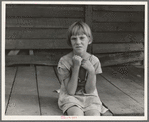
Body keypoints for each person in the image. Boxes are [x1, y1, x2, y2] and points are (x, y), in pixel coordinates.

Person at [57, 21, 111, 116]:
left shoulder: (94, 61)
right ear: (70, 41)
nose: (78, 42)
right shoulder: (64, 61)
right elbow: (71, 91)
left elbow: (90, 91)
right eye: (74, 39)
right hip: (70, 97)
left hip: (90, 96)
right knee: (76, 115)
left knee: (94, 115)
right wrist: (76, 67)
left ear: (89, 40)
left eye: (82, 38)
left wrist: (91, 70)